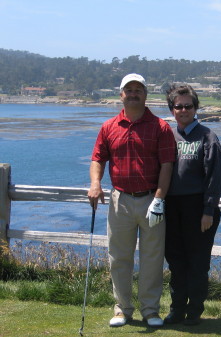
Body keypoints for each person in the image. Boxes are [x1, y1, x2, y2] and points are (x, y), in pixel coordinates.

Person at [87, 73, 176, 328]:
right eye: (129, 89)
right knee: (119, 257)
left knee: (152, 258)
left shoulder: (160, 127)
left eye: (139, 89)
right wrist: (95, 184)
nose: (134, 93)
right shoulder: (108, 127)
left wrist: (159, 199)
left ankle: (150, 310)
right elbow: (97, 159)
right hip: (120, 200)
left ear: (146, 95)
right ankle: (122, 309)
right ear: (121, 95)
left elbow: (167, 166)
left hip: (151, 199)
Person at [163, 84, 221, 326]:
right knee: (176, 261)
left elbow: (215, 177)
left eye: (188, 106)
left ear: (196, 108)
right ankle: (176, 309)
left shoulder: (208, 137)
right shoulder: (167, 136)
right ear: (172, 109)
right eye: (178, 106)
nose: (183, 110)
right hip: (171, 207)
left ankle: (194, 311)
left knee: (197, 263)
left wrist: (208, 210)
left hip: (199, 208)